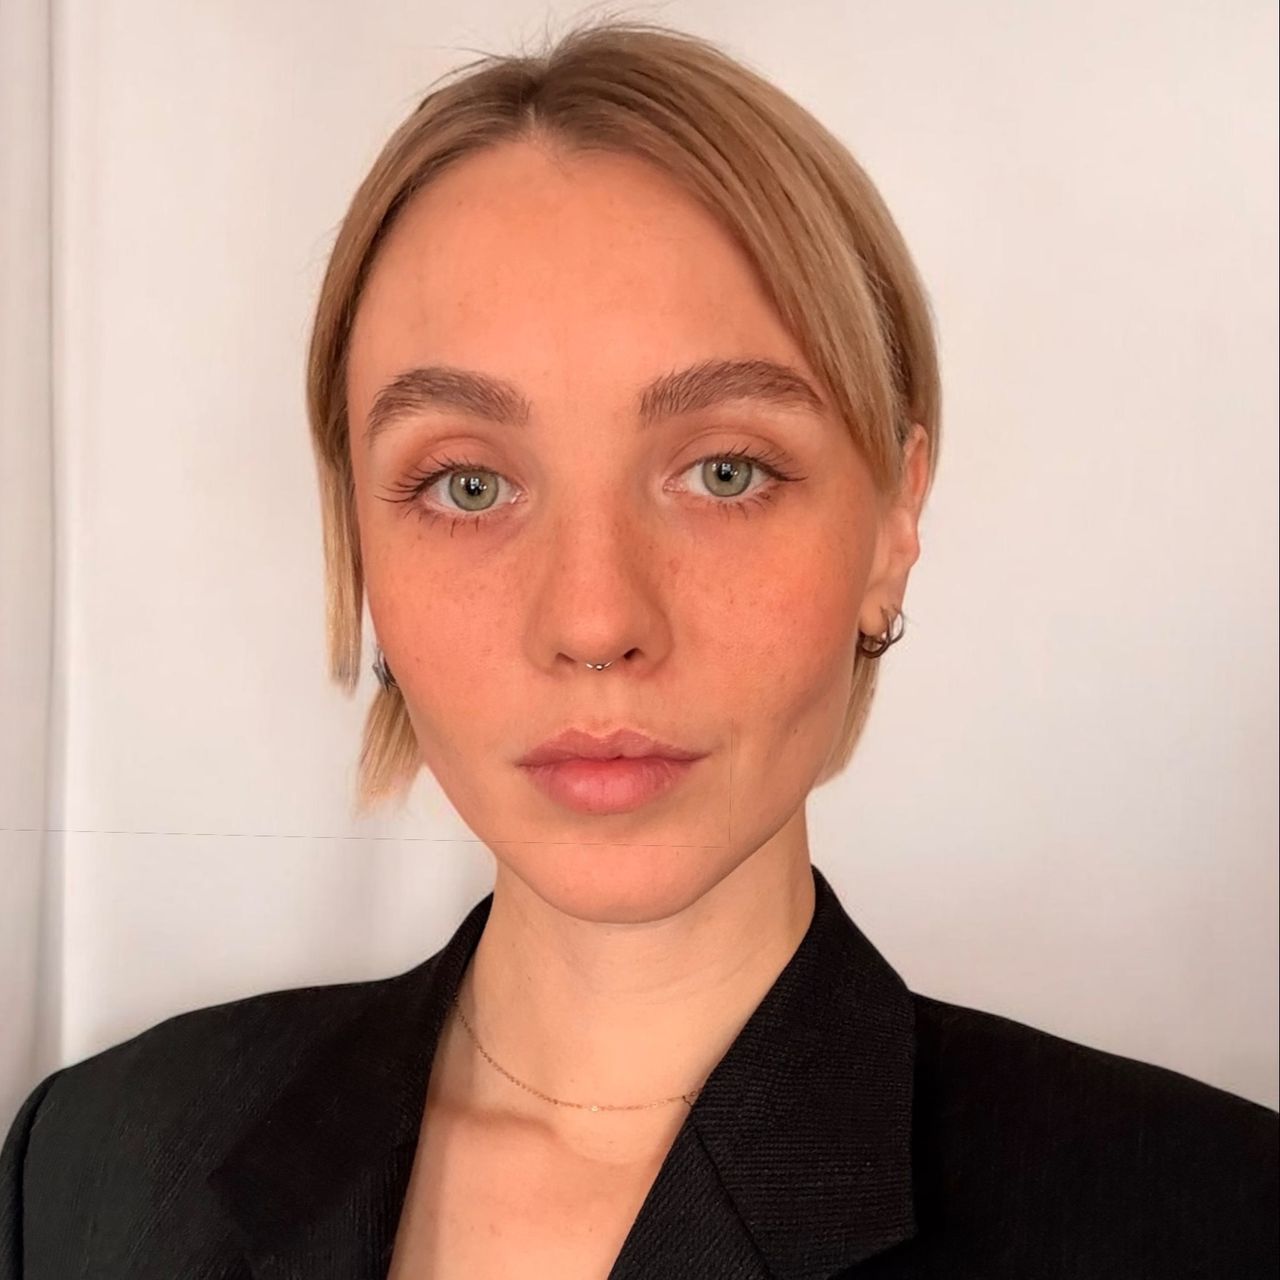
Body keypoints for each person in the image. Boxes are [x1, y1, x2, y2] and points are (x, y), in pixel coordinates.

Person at [2, 17, 1275, 1280]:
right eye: (465, 484)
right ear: (359, 543)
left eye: (724, 471)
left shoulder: (1210, 1219)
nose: (594, 620)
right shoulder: (91, 1161)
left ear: (892, 521)